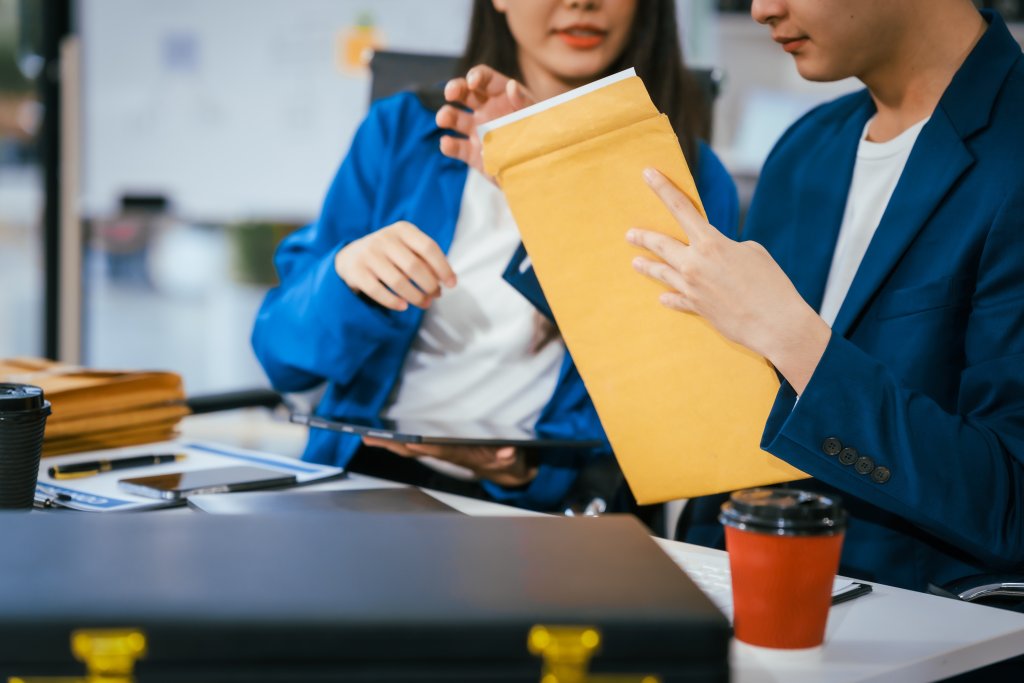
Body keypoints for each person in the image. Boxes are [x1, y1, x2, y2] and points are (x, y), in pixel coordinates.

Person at [443, 0, 1024, 591]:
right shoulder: (807, 149)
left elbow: (1012, 501)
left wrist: (794, 340)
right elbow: (702, 390)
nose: (761, 9)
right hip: (733, 582)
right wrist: (553, 175)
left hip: (923, 621)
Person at [252, 0, 739, 511]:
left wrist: (522, 473)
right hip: (364, 479)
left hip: (544, 508)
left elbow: (674, 398)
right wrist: (343, 277)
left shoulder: (689, 178)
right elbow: (279, 354)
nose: (581, 3)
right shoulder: (403, 133)